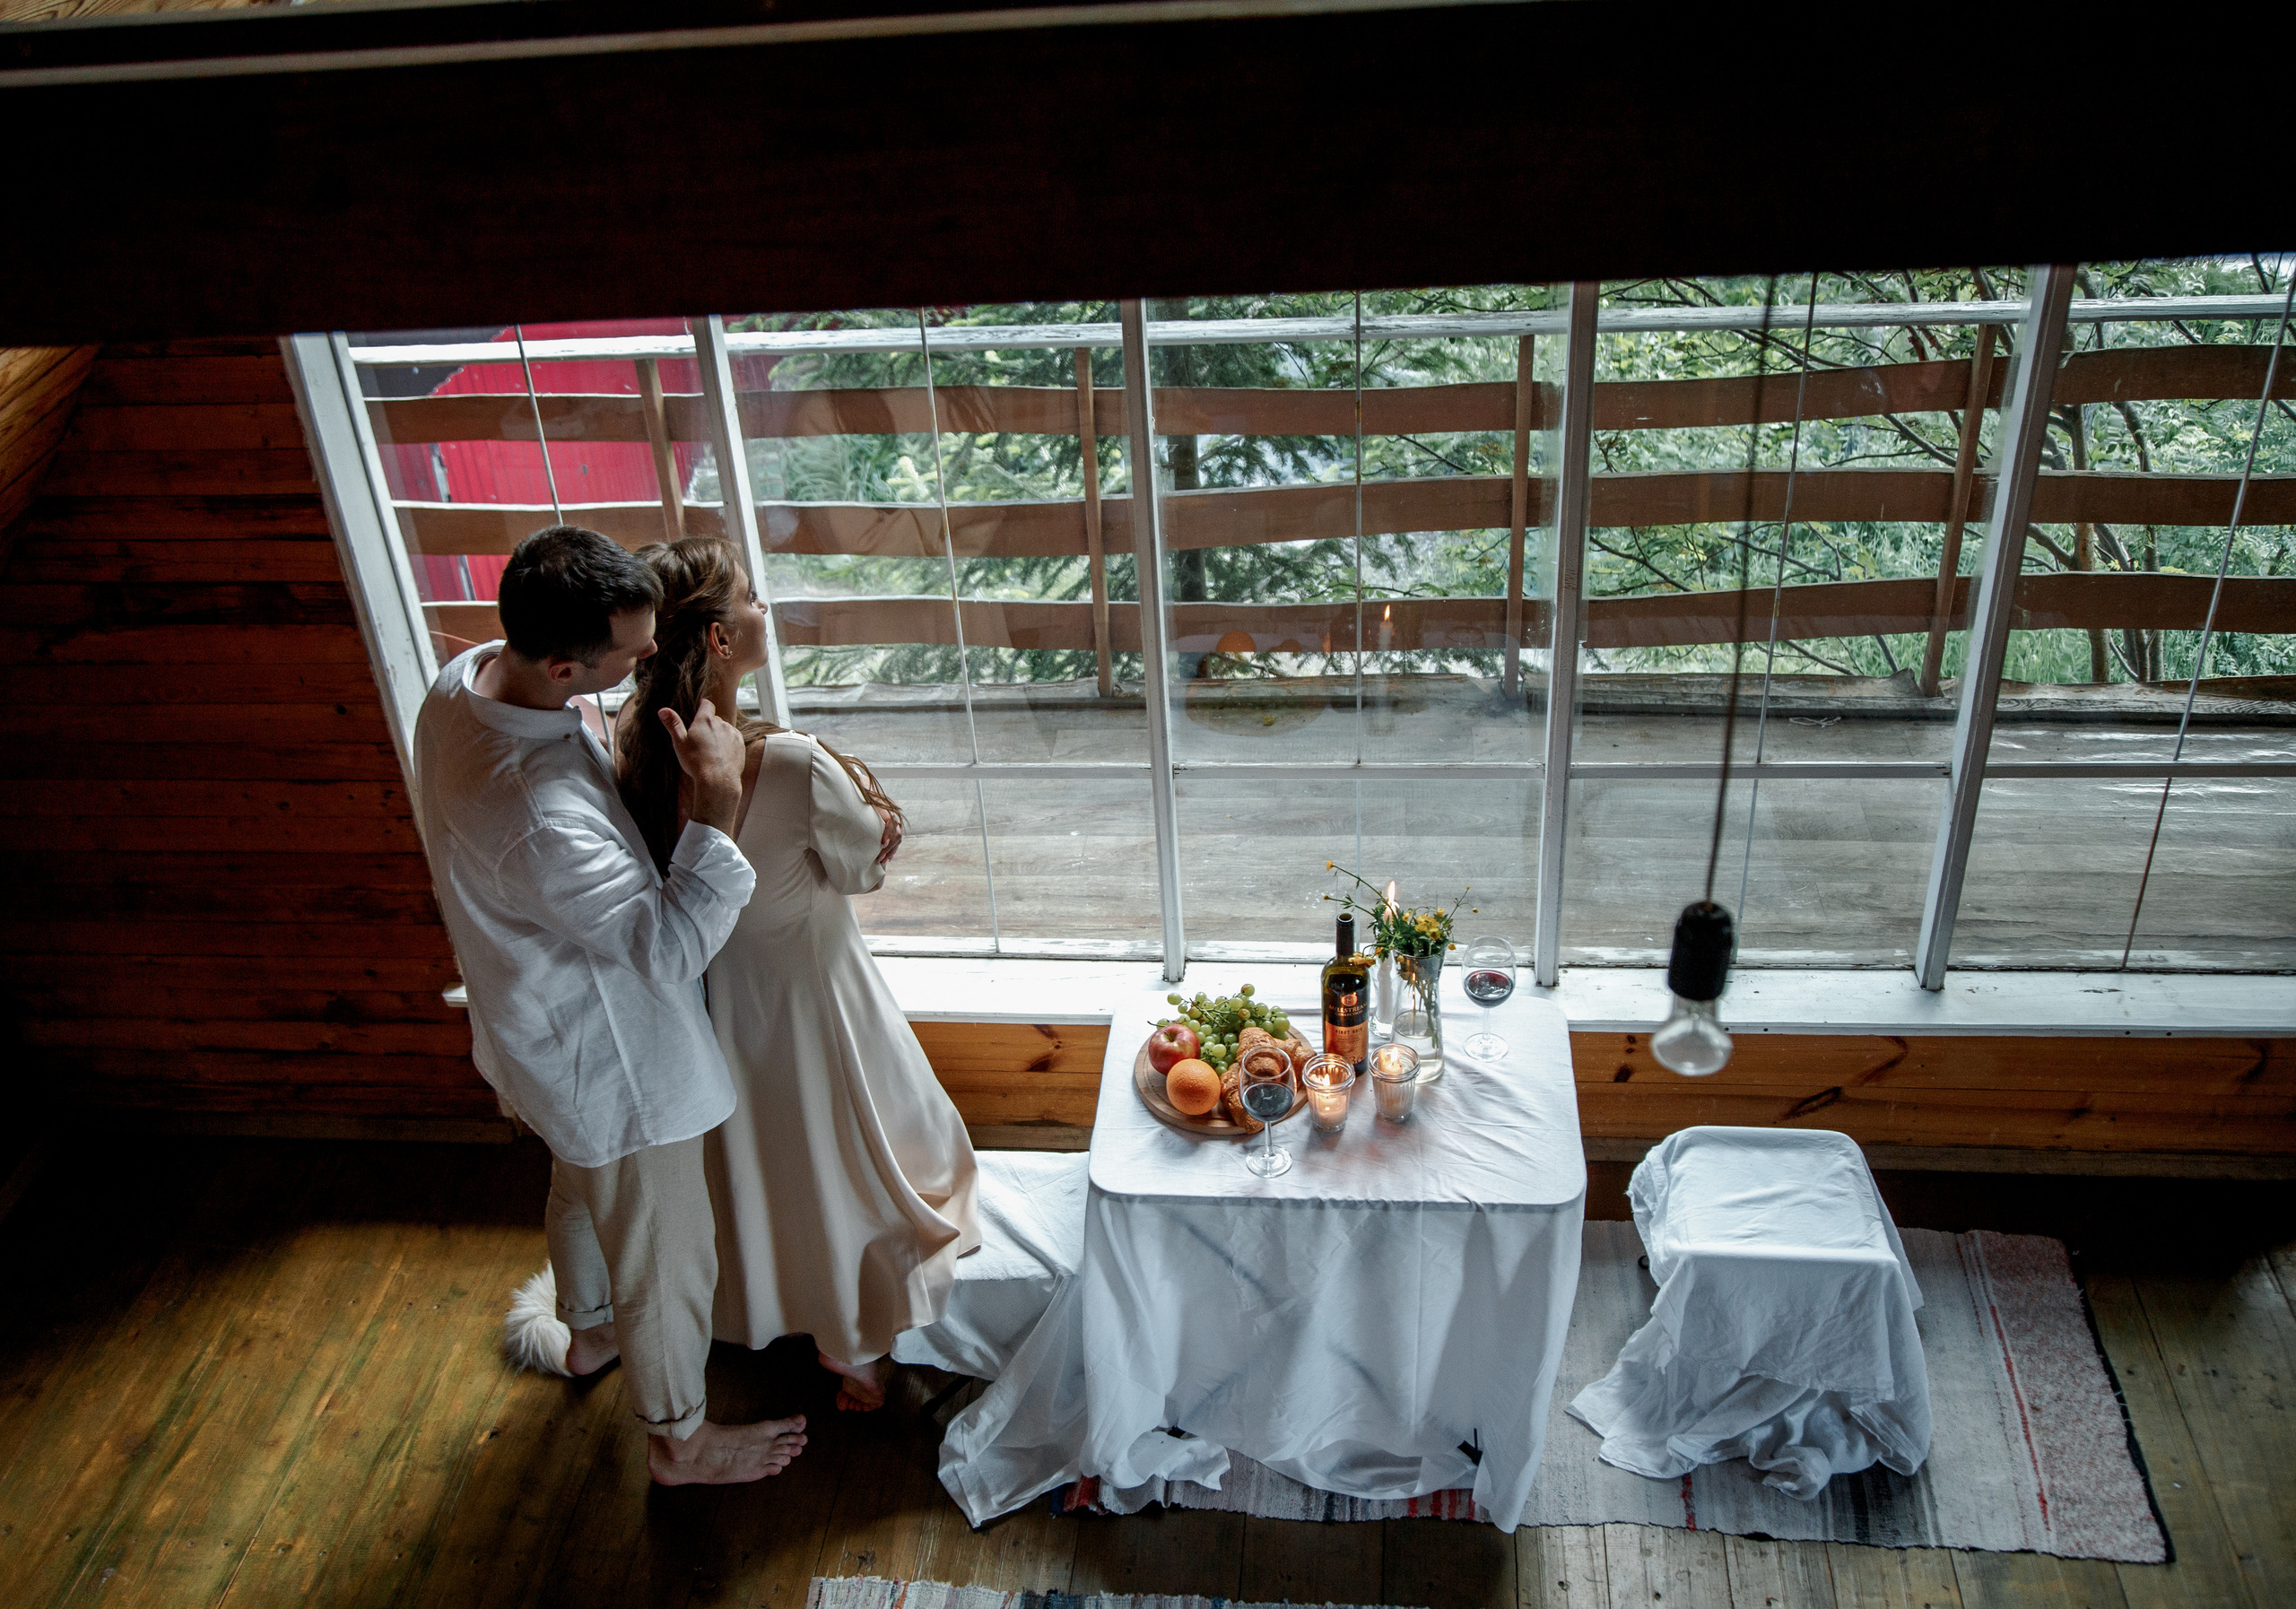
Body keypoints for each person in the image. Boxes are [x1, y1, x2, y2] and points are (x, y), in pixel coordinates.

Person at [411, 525, 806, 1484]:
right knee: (666, 1254)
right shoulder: (536, 812)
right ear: (563, 666)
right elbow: (667, 951)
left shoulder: (463, 680)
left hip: (532, 1024)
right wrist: (716, 804)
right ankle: (679, 1440)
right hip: (611, 1057)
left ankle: (588, 1334)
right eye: (631, 653)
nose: (650, 656)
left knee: (581, 1188)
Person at [616, 537, 981, 1413]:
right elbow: (860, 869)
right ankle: (853, 1341)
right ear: (718, 639)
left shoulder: (634, 753)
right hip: (817, 1008)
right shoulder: (789, 762)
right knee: (850, 1161)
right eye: (749, 598)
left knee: (756, 1171)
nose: (763, 609)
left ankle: (759, 1308)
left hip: (706, 1015)